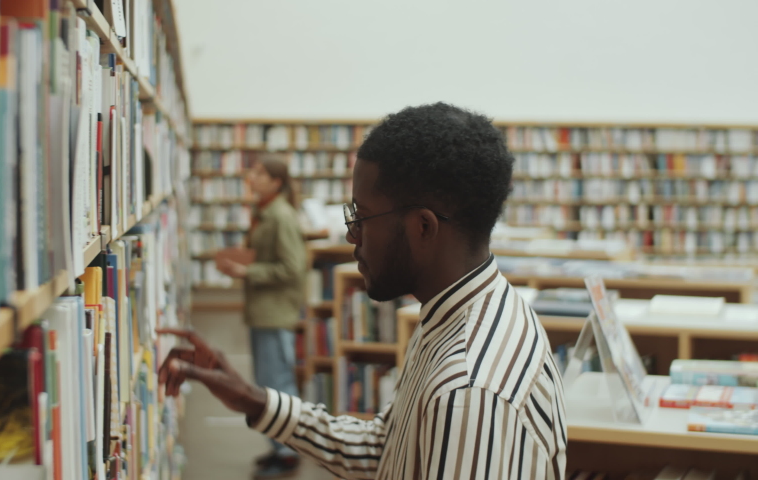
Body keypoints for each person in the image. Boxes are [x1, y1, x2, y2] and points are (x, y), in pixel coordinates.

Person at [159, 103, 567, 479]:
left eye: (363, 216)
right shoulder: (460, 314)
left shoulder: (471, 393)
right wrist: (254, 400)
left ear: (423, 227)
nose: (352, 235)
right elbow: (386, 449)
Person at [215, 154, 307, 479]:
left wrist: (247, 270)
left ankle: (288, 453)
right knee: (270, 385)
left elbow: (293, 267)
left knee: (278, 384)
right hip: (263, 310)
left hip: (275, 312)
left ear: (276, 181)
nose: (251, 176)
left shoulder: (280, 216)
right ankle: (278, 448)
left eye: (259, 172)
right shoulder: (265, 213)